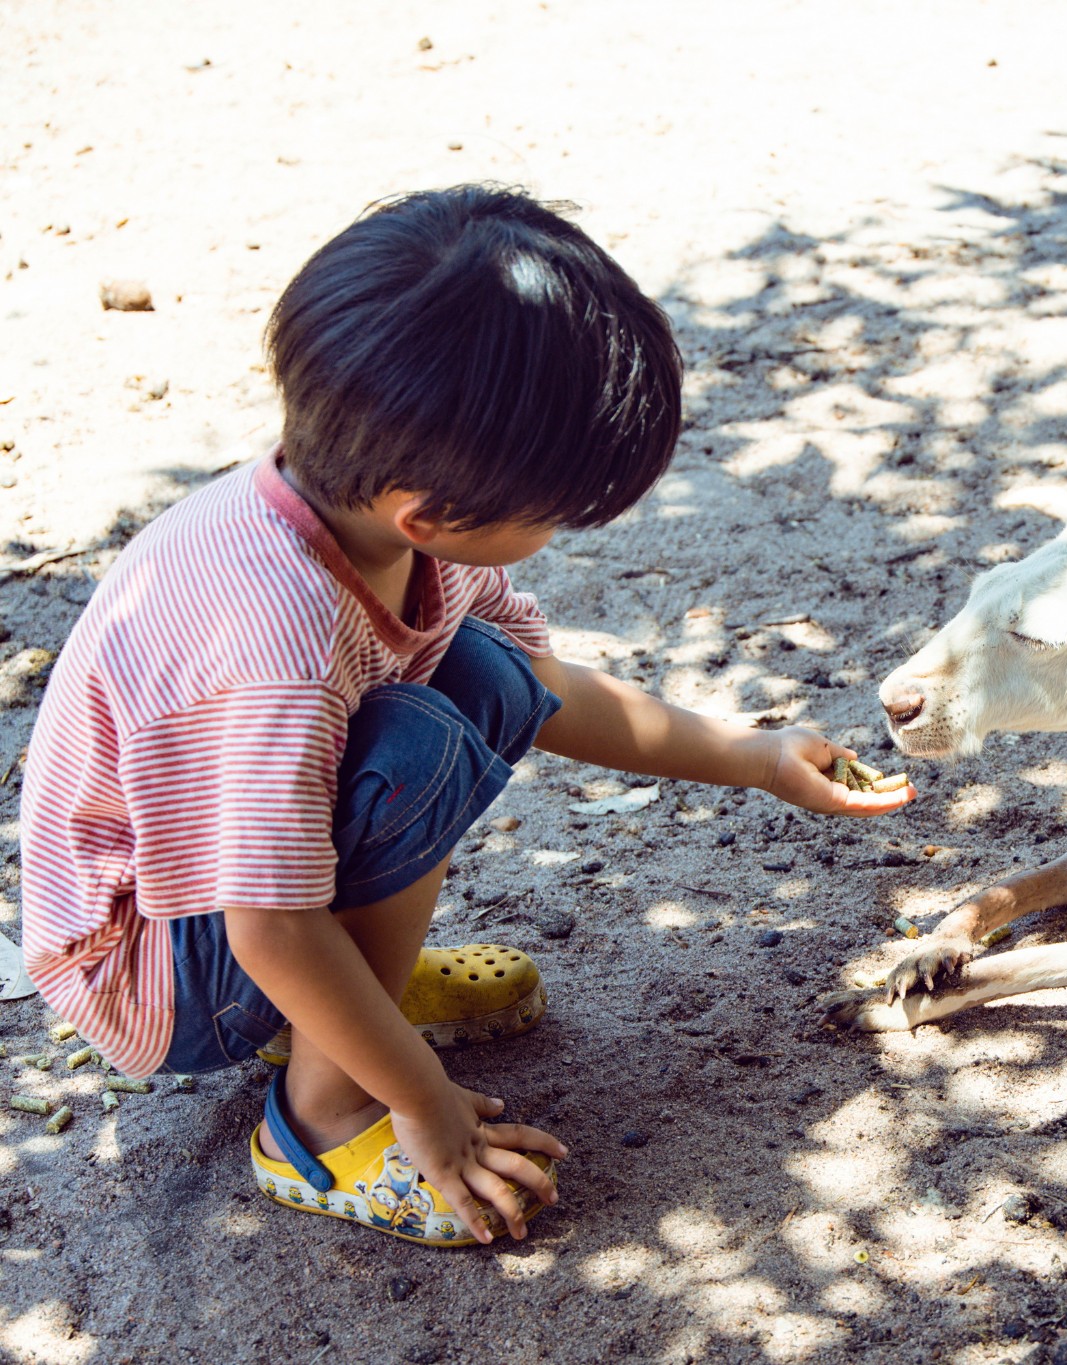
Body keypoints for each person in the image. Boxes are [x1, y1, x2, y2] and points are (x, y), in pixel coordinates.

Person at [17, 184, 913, 1247]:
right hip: (164, 972)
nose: (565, 529)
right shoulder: (278, 643)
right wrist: (423, 1098)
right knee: (418, 752)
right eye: (553, 512)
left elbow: (540, 688)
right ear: (432, 513)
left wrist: (754, 758)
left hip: (219, 912)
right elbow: (268, 924)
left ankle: (357, 1008)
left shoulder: (368, 526)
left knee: (481, 674)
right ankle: (326, 1115)